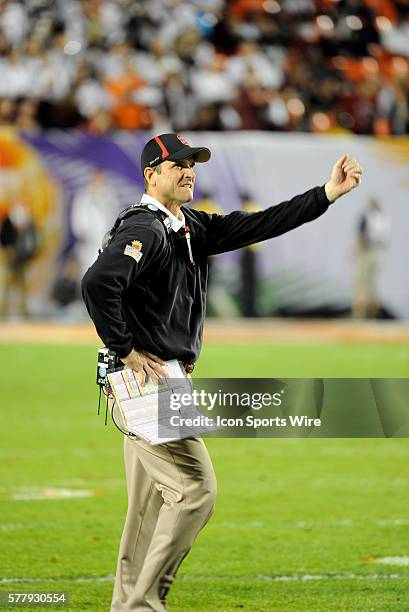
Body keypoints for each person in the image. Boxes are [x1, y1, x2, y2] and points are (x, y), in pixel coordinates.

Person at [81, 132, 363, 611]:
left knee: (148, 510)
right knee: (195, 490)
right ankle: (142, 605)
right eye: (178, 165)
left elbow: (256, 225)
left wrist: (326, 194)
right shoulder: (146, 228)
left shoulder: (186, 225)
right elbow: (98, 283)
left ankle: (127, 604)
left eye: (193, 163)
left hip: (160, 378)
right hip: (147, 381)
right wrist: (124, 349)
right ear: (151, 175)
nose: (190, 171)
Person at [353, 196, 389, 319]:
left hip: (367, 252)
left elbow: (360, 236)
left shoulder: (367, 215)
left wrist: (356, 250)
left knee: (361, 283)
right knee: (373, 285)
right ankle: (374, 316)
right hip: (379, 252)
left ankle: (360, 315)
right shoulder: (383, 217)